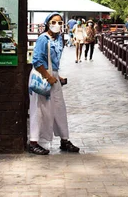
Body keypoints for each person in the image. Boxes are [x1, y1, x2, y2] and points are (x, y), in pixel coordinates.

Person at [28, 12, 80, 155]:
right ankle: (34, 142)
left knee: (59, 108)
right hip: (42, 77)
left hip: (53, 76)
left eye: (60, 22)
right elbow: (37, 61)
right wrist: (48, 76)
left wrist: (57, 76)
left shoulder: (59, 39)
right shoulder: (43, 39)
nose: (57, 25)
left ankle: (64, 139)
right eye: (53, 22)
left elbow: (54, 61)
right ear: (47, 23)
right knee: (40, 110)